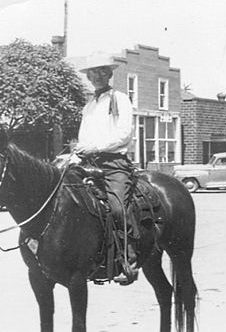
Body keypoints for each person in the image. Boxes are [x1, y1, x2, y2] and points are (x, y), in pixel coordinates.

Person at [74, 53, 138, 285]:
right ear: (88, 76)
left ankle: (127, 259)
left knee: (117, 207)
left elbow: (124, 134)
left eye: (102, 71)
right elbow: (84, 137)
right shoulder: (89, 105)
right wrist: (77, 152)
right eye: (93, 72)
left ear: (109, 74)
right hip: (87, 162)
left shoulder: (119, 99)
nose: (98, 76)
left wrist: (95, 147)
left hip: (113, 163)